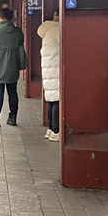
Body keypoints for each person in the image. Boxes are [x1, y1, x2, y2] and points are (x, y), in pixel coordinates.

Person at [37, 12, 60, 141]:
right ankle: (56, 131)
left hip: (48, 69)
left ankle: (51, 129)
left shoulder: (46, 30)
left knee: (51, 100)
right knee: (56, 100)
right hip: (56, 69)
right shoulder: (57, 30)